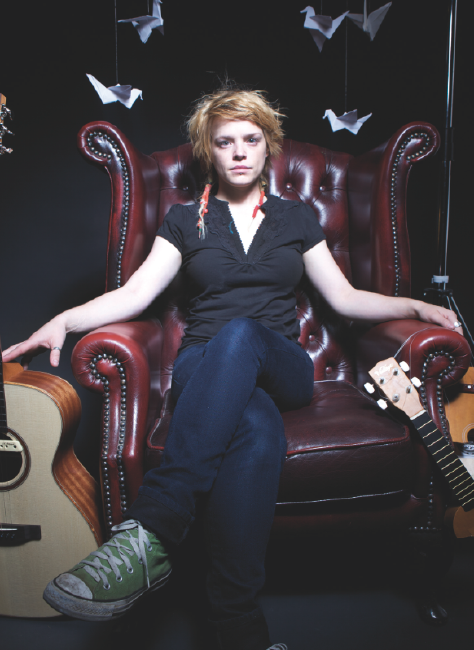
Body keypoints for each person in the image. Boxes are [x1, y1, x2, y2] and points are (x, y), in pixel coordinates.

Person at [2, 86, 463, 650]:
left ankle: (153, 529)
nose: (240, 152)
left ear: (268, 146)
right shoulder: (183, 219)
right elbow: (134, 295)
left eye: (251, 139)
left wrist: (415, 306)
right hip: (203, 364)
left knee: (243, 332)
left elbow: (344, 299)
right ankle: (239, 629)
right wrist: (63, 321)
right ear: (209, 151)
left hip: (282, 363)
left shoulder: (295, 217)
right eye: (225, 142)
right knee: (255, 428)